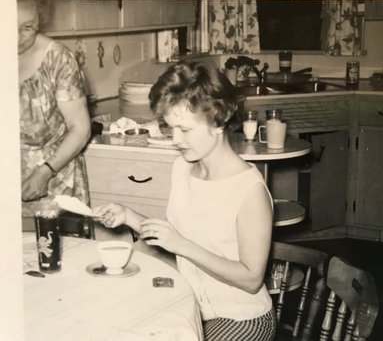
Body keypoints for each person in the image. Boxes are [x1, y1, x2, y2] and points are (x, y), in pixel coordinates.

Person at [94, 61, 276, 340]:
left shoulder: (249, 191)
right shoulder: (183, 167)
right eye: (170, 127)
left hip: (242, 318)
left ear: (218, 121)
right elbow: (177, 234)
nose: (176, 139)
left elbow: (251, 280)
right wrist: (128, 215)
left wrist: (182, 246)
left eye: (186, 130)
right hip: (194, 308)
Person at [18, 0, 91, 216]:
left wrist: (45, 172)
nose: (15, 37)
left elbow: (80, 128)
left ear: (39, 22)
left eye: (27, 27)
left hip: (53, 180)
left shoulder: (57, 58)